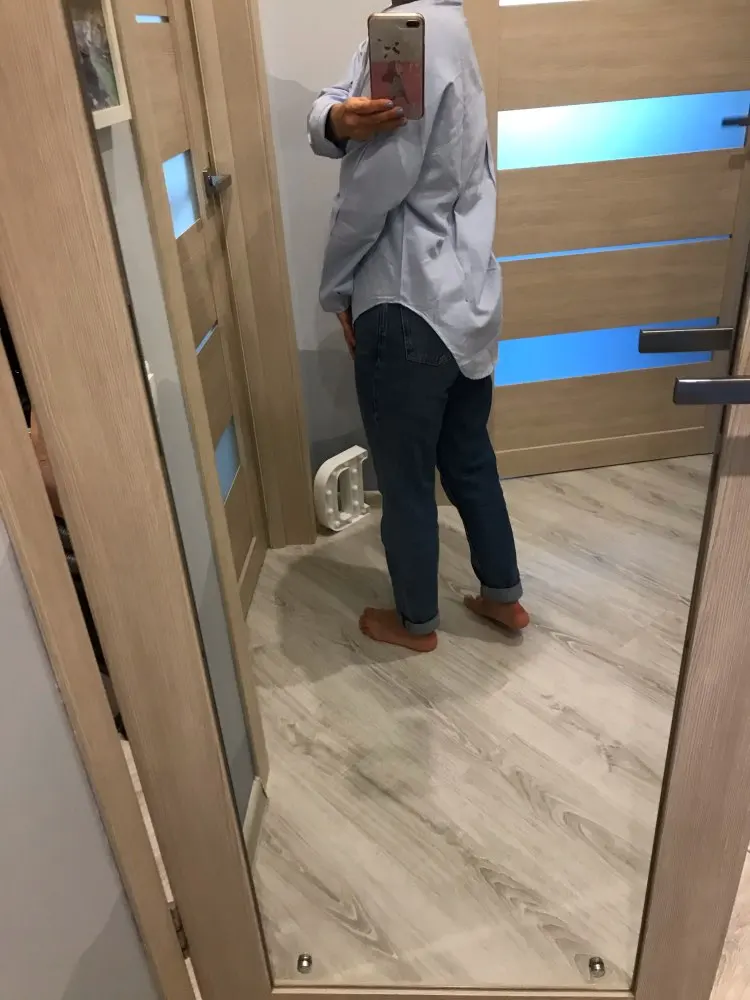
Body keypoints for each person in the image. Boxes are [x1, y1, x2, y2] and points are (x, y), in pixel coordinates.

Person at [308, 0, 528, 653]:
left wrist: (335, 286)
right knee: (469, 458)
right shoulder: (446, 30)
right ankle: (502, 596)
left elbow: (377, 182)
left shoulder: (414, 37)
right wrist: (333, 119)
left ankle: (415, 623)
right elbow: (339, 107)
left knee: (405, 480)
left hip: (406, 297)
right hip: (465, 294)